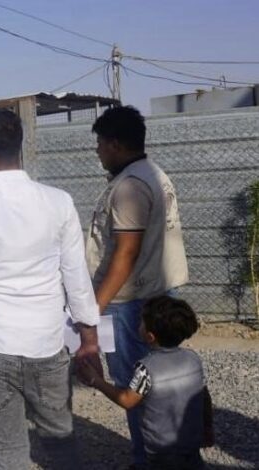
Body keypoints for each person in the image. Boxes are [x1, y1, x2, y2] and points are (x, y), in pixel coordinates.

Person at [0, 109, 101, 470]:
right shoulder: (59, 202)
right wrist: (89, 340)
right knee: (61, 442)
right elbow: (76, 277)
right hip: (47, 344)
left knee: (9, 451)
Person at [87, 106, 189, 467]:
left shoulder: (130, 186)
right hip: (151, 294)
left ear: (115, 144)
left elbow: (126, 253)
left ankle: (146, 458)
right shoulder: (154, 174)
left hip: (129, 301)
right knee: (160, 380)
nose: (97, 151)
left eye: (100, 143)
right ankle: (168, 452)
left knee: (136, 383)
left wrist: (94, 308)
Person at [78, 296, 214, 470]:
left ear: (150, 336)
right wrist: (207, 427)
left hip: (162, 450)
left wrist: (96, 380)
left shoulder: (145, 369)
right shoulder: (193, 359)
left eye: (142, 322)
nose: (139, 324)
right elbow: (204, 396)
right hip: (191, 440)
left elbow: (127, 400)